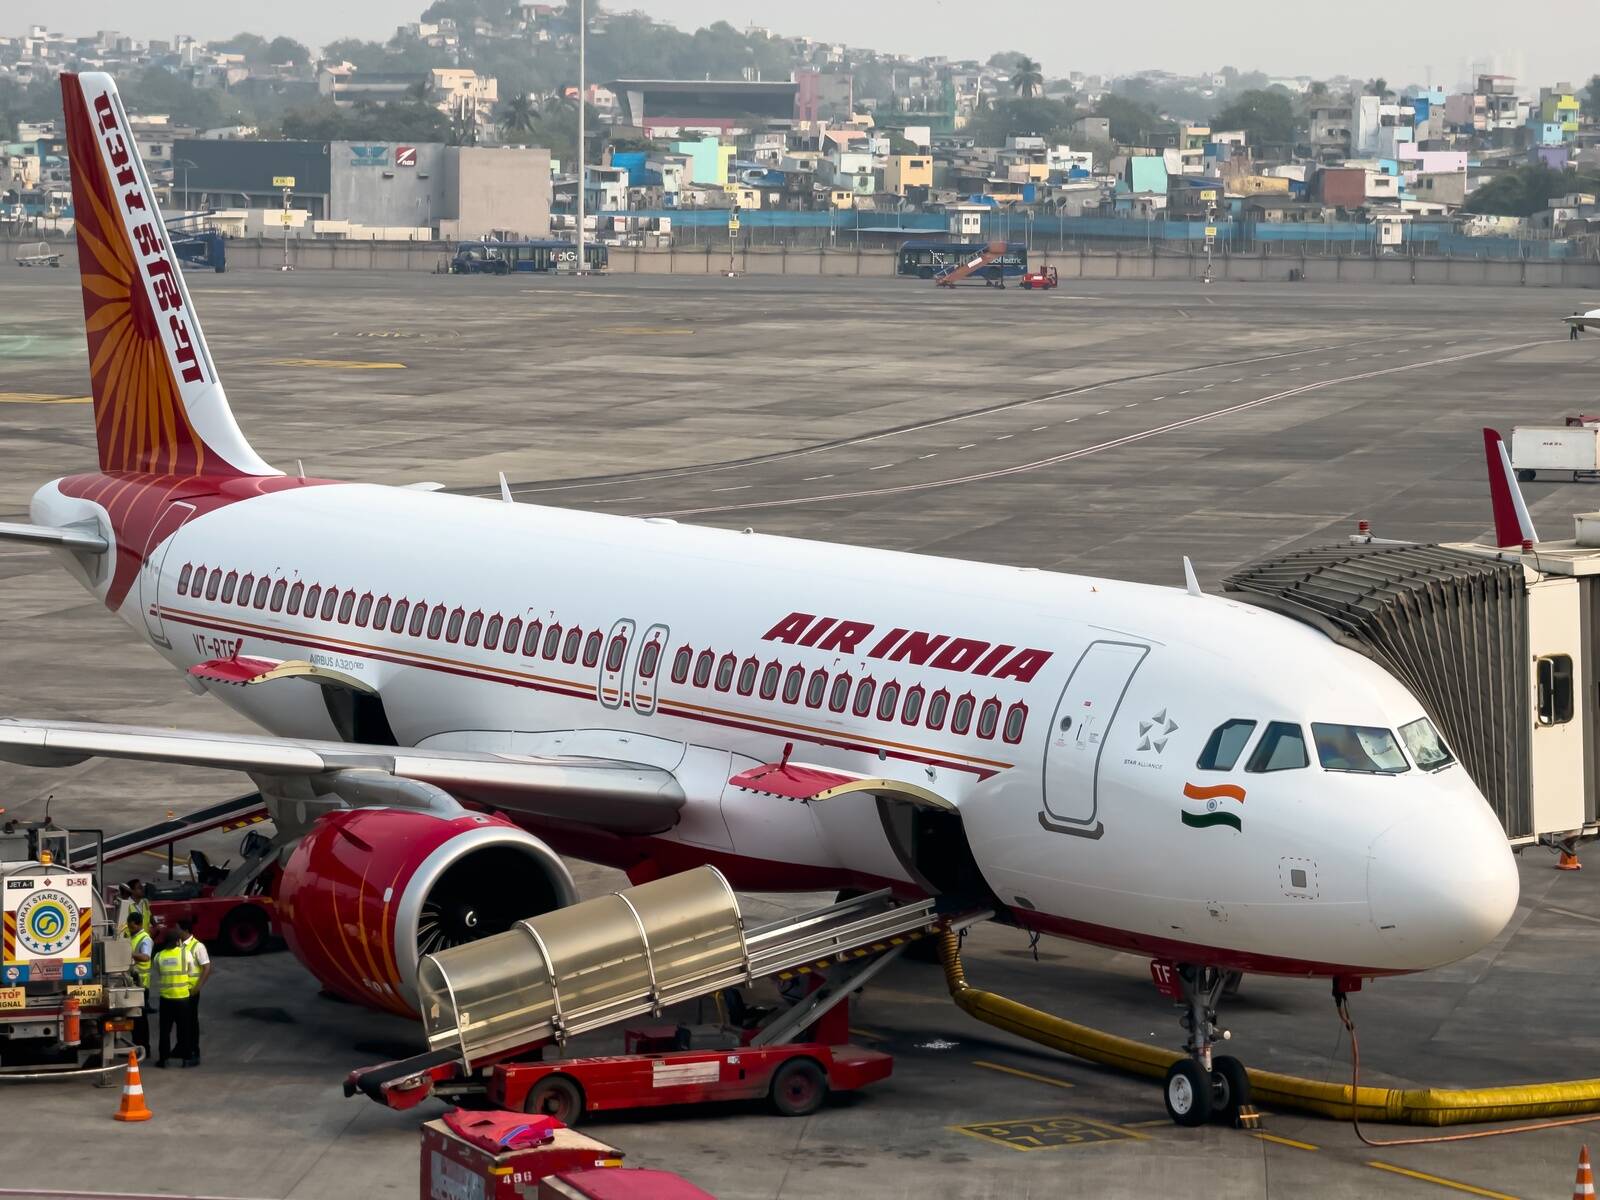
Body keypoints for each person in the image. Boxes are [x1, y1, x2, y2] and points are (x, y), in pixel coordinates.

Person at [152, 927, 195, 1068]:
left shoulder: (159, 956)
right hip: (182, 998)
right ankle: (186, 1059)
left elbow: (158, 972)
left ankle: (163, 1059)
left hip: (166, 999)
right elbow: (191, 970)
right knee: (184, 1029)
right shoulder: (186, 954)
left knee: (165, 1030)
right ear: (178, 941)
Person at [176, 917, 210, 1067]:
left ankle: (194, 1053)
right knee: (181, 1022)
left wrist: (198, 987)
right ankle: (181, 1048)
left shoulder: (198, 947)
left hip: (191, 991)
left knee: (190, 1023)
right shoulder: (179, 945)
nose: (175, 931)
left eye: (177, 928)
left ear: (186, 930)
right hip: (179, 991)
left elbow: (207, 968)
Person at [125, 911, 153, 1060]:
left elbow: (145, 957)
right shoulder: (133, 936)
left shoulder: (145, 939)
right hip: (133, 983)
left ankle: (145, 1049)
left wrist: (127, 952)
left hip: (142, 985)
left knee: (141, 1020)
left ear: (138, 924)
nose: (130, 929)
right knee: (135, 1019)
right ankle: (136, 1048)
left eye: (131, 926)